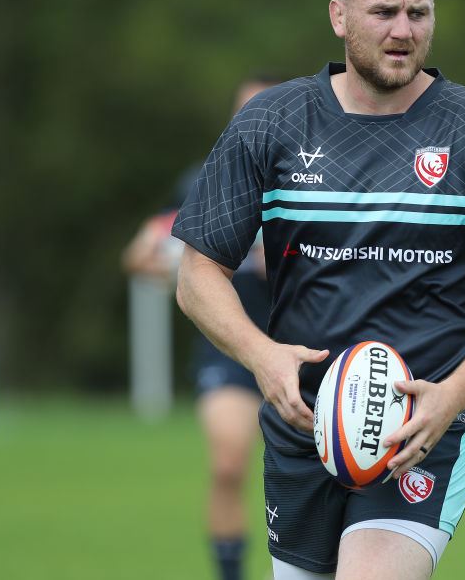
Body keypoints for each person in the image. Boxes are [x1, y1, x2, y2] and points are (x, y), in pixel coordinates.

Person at [171, 0, 465, 580]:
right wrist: (263, 357)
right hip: (304, 431)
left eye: (420, 14)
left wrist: (452, 396)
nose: (404, 31)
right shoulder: (272, 123)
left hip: (426, 428)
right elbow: (196, 275)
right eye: (383, 13)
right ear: (339, 17)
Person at [122, 78, 277, 580]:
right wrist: (184, 268)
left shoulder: (320, 177)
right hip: (229, 351)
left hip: (308, 346)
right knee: (229, 465)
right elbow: (141, 253)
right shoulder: (203, 181)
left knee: (320, 479)